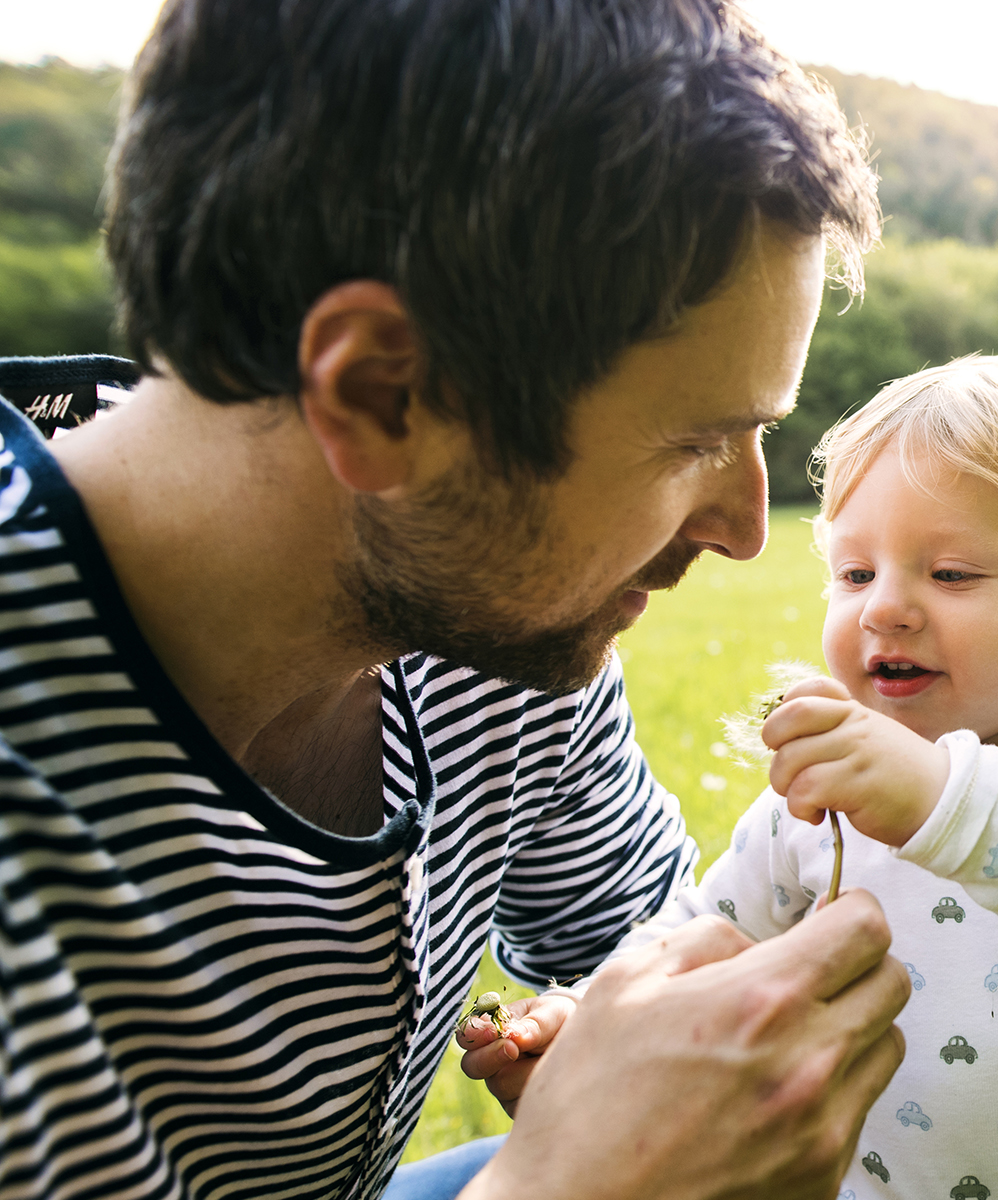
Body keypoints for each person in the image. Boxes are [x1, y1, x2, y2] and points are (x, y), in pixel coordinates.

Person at [0, 1, 913, 1198]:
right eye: (696, 442)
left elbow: (651, 941)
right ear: (385, 396)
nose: (746, 529)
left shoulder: (489, 620)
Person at [471, 356, 998, 1200]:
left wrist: (936, 794)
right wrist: (595, 1028)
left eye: (951, 573)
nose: (884, 607)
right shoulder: (822, 787)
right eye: (856, 573)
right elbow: (706, 932)